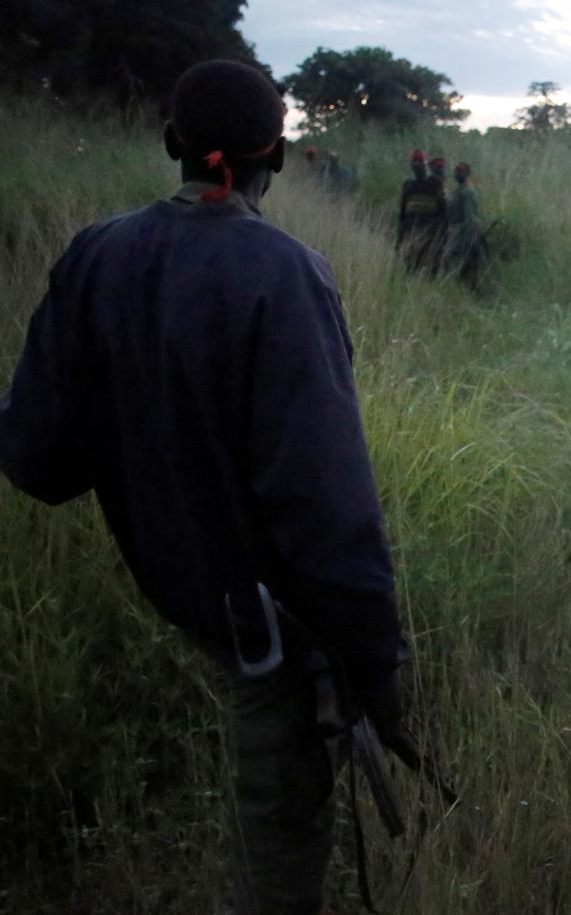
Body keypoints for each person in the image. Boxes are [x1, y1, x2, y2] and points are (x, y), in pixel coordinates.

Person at [0, 60, 407, 914]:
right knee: (282, 832)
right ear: (280, 156)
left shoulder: (93, 256)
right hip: (269, 618)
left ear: (171, 144)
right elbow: (326, 500)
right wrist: (377, 662)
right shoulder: (285, 273)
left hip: (186, 593)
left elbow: (36, 461)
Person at [396, 148, 445, 273]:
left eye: (420, 162)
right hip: (411, 233)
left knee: (428, 270)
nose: (417, 166)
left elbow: (443, 213)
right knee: (411, 269)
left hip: (430, 235)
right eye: (414, 163)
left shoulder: (435, 184)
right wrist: (401, 237)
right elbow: (402, 213)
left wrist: (440, 236)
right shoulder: (408, 185)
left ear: (425, 165)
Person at [441, 161, 485, 287]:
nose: (457, 173)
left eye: (460, 171)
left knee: (449, 257)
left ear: (466, 174)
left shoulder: (466, 192)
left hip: (461, 229)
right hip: (455, 229)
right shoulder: (459, 191)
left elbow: (469, 216)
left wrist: (468, 237)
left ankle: (456, 285)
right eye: (456, 171)